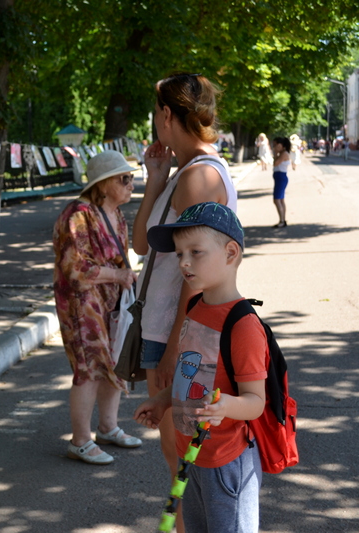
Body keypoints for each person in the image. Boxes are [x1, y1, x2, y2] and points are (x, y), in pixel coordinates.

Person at [132, 72, 238, 532]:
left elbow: (193, 280)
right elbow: (143, 245)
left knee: (182, 459)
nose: (155, 120)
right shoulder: (184, 172)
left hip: (177, 331)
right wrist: (154, 178)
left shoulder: (198, 178)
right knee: (176, 456)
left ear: (169, 115)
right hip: (164, 328)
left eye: (157, 111)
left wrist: (178, 349)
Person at [134, 202, 266, 533]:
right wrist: (164, 399)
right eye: (179, 254)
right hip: (189, 454)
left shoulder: (243, 325)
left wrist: (226, 406)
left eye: (196, 251)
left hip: (225, 461)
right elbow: (189, 373)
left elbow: (255, 402)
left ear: (231, 253)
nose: (185, 262)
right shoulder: (195, 307)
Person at [53, 150, 142, 466]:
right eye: (125, 179)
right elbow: (74, 268)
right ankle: (80, 441)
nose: (131, 184)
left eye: (130, 178)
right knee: (89, 368)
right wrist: (117, 274)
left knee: (113, 362)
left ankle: (108, 427)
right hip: (81, 303)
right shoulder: (78, 214)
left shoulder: (115, 214)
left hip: (110, 301)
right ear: (103, 185)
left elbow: (119, 257)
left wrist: (125, 276)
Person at [271, 136, 291, 228]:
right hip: (279, 177)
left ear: (282, 146)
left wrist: (275, 153)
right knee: (281, 200)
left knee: (277, 200)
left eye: (276, 145)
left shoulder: (284, 154)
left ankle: (282, 221)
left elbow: (275, 163)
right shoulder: (282, 153)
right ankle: (282, 219)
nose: (275, 147)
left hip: (281, 177)